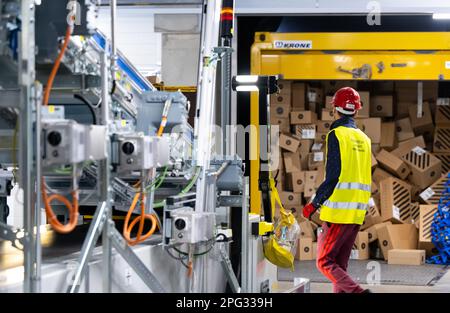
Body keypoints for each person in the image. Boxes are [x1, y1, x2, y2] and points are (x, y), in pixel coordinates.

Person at [302, 87, 372, 293]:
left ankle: (360, 292)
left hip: (338, 213)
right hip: (357, 213)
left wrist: (313, 204)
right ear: (357, 111)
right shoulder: (364, 139)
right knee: (339, 266)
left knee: (324, 262)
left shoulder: (336, 135)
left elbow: (334, 176)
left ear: (335, 109)